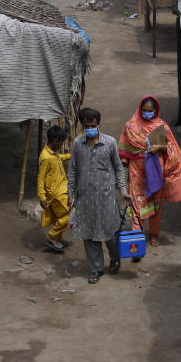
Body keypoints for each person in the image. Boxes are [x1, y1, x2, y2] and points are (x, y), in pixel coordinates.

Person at [118, 96, 181, 247]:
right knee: (137, 204)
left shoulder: (162, 127)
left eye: (150, 111)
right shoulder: (130, 126)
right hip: (136, 172)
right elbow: (124, 150)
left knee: (155, 205)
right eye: (144, 111)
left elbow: (173, 149)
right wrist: (124, 161)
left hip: (155, 172)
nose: (147, 113)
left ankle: (153, 235)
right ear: (140, 110)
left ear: (156, 111)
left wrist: (160, 148)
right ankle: (136, 239)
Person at [67, 107, 130, 284]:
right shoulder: (77, 144)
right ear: (82, 126)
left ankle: (115, 257)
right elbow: (72, 170)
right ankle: (95, 269)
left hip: (107, 198)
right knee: (88, 235)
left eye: (93, 125)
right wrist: (69, 193)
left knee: (110, 232)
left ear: (99, 124)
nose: (90, 129)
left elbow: (118, 168)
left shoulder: (109, 143)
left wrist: (123, 191)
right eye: (87, 126)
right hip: (85, 199)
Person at [38, 125, 72, 253]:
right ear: (55, 141)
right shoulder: (45, 157)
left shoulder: (53, 153)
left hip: (61, 189)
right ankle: (52, 236)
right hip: (56, 193)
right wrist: (42, 197)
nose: (62, 144)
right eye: (61, 142)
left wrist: (68, 156)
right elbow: (40, 178)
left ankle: (59, 238)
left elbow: (58, 159)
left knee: (59, 217)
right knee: (68, 215)